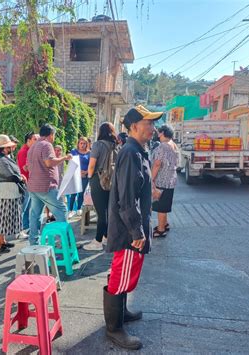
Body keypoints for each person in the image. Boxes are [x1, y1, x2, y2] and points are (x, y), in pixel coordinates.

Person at [104, 105, 163, 350]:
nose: (153, 127)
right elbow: (126, 198)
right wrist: (136, 231)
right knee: (121, 275)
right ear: (134, 126)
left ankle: (122, 312)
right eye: (148, 123)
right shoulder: (130, 152)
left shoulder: (138, 151)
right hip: (129, 230)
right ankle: (114, 329)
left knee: (127, 273)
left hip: (132, 225)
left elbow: (136, 188)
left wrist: (151, 192)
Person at [27, 124, 72, 245]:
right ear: (51, 134)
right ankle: (63, 241)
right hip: (46, 186)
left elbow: (28, 166)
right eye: (54, 135)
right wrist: (64, 158)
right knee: (62, 210)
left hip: (34, 186)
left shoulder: (33, 146)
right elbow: (49, 162)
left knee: (35, 215)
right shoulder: (46, 145)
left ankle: (33, 242)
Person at [84, 123, 118, 251]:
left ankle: (97, 241)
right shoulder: (116, 145)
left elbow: (92, 165)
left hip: (98, 179)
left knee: (101, 212)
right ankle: (106, 236)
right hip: (112, 181)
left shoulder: (98, 145)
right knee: (108, 210)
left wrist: (89, 177)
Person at [0, 135, 26, 254]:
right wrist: (21, 178)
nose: (11, 147)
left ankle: (2, 242)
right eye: (9, 145)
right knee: (1, 219)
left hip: (6, 192)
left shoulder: (2, 157)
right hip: (4, 193)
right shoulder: (0, 159)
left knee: (3, 219)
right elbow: (11, 175)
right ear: (5, 148)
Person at [151, 125, 178, 238]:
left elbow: (157, 164)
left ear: (162, 133)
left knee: (161, 206)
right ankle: (165, 224)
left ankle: (161, 229)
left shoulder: (162, 147)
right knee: (165, 204)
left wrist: (151, 178)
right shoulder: (173, 145)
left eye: (158, 132)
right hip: (171, 179)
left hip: (162, 180)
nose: (157, 134)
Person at [16, 132, 39, 235]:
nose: (37, 141)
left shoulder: (30, 150)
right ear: (28, 140)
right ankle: (20, 229)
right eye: (35, 139)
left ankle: (25, 227)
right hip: (26, 183)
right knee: (24, 207)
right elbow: (23, 169)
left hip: (30, 182)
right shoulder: (23, 152)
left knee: (28, 207)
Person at [68, 137, 91, 216]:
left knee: (81, 193)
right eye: (81, 143)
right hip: (75, 175)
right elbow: (71, 163)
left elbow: (91, 164)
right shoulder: (74, 152)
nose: (82, 145)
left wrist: (86, 172)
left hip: (85, 175)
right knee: (73, 193)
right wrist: (78, 172)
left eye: (84, 143)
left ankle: (79, 208)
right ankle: (70, 210)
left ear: (87, 144)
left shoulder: (89, 153)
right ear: (78, 144)